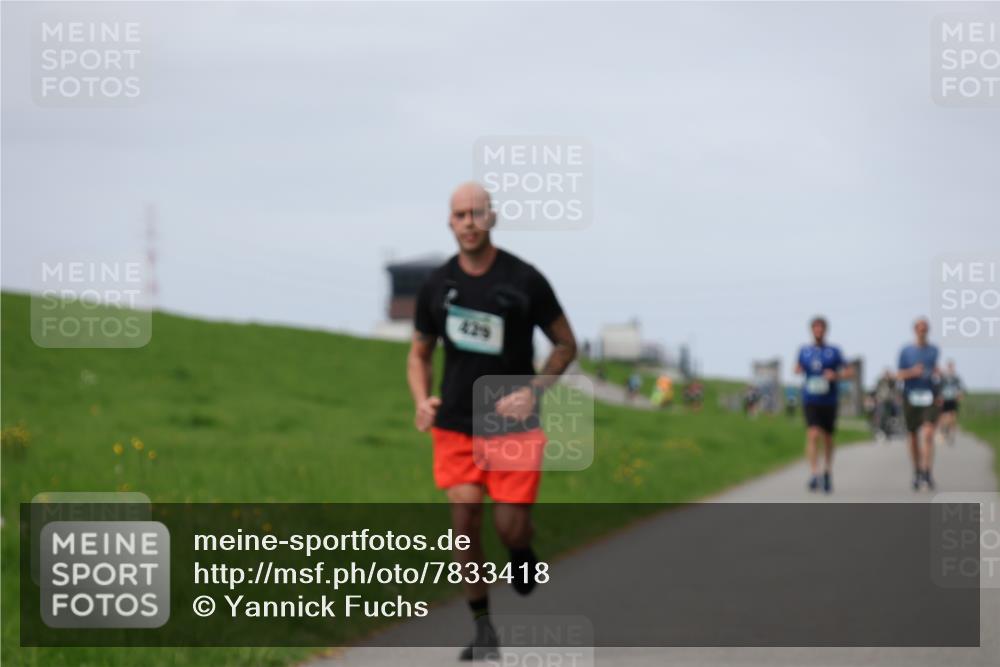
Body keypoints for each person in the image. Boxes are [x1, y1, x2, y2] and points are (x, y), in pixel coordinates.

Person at [407, 182, 577, 661]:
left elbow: (566, 345)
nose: (468, 222)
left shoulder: (524, 280)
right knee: (463, 522)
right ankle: (483, 629)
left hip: (513, 428)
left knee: (509, 527)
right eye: (459, 215)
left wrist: (533, 391)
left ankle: (522, 555)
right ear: (449, 222)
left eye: (476, 213)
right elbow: (419, 354)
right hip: (457, 424)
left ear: (492, 218)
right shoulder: (437, 286)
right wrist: (421, 400)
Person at [794, 316, 854, 494]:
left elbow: (849, 371)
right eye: (815, 328)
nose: (818, 331)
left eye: (821, 328)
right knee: (812, 434)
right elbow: (797, 367)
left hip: (829, 400)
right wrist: (798, 370)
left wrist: (836, 376)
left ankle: (827, 471)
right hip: (810, 398)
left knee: (827, 438)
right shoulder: (804, 351)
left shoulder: (834, 351)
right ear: (812, 331)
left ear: (825, 331)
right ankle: (814, 473)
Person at [897, 317, 941, 491]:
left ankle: (927, 471)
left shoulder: (934, 350)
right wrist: (913, 372)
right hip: (911, 396)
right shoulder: (906, 351)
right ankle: (916, 470)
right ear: (915, 330)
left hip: (929, 396)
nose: (922, 331)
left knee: (929, 433)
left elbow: (935, 371)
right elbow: (899, 374)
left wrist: (939, 386)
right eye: (919, 328)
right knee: (913, 435)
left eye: (925, 328)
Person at [937, 360, 964, 447]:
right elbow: (939, 388)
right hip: (944, 400)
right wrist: (939, 397)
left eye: (952, 367)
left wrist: (959, 395)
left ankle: (951, 432)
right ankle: (943, 431)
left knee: (952, 416)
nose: (950, 368)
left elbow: (960, 388)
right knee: (943, 416)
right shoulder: (943, 378)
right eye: (949, 367)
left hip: (953, 399)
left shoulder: (956, 378)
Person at [873, 369, 898, 441]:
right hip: (882, 400)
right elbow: (877, 390)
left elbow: (894, 389)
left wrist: (890, 379)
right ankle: (881, 430)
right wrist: (877, 399)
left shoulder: (892, 382)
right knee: (882, 416)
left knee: (890, 417)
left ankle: (888, 432)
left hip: (890, 401)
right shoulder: (880, 381)